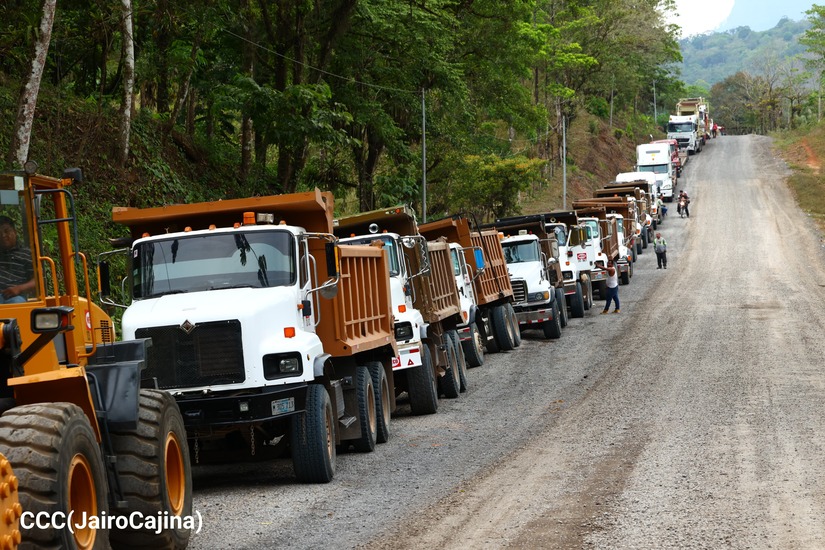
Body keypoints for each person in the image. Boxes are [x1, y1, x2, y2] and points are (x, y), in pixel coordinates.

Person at [0, 215, 35, 304]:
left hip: (17, 297)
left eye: (6, 231)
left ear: (15, 232)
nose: (3, 235)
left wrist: (19, 288)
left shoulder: (27, 254)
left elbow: (37, 280)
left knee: (17, 303)